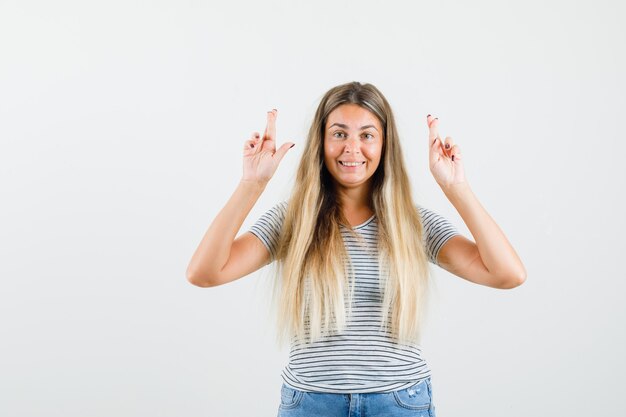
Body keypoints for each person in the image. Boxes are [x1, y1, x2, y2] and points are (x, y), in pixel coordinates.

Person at [186, 81, 527, 417]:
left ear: (384, 145)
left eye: (366, 135)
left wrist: (456, 188)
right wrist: (252, 184)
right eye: (339, 134)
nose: (351, 148)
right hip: (312, 404)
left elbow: (507, 274)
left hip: (399, 404)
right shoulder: (293, 220)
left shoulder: (412, 223)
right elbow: (204, 273)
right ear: (321, 143)